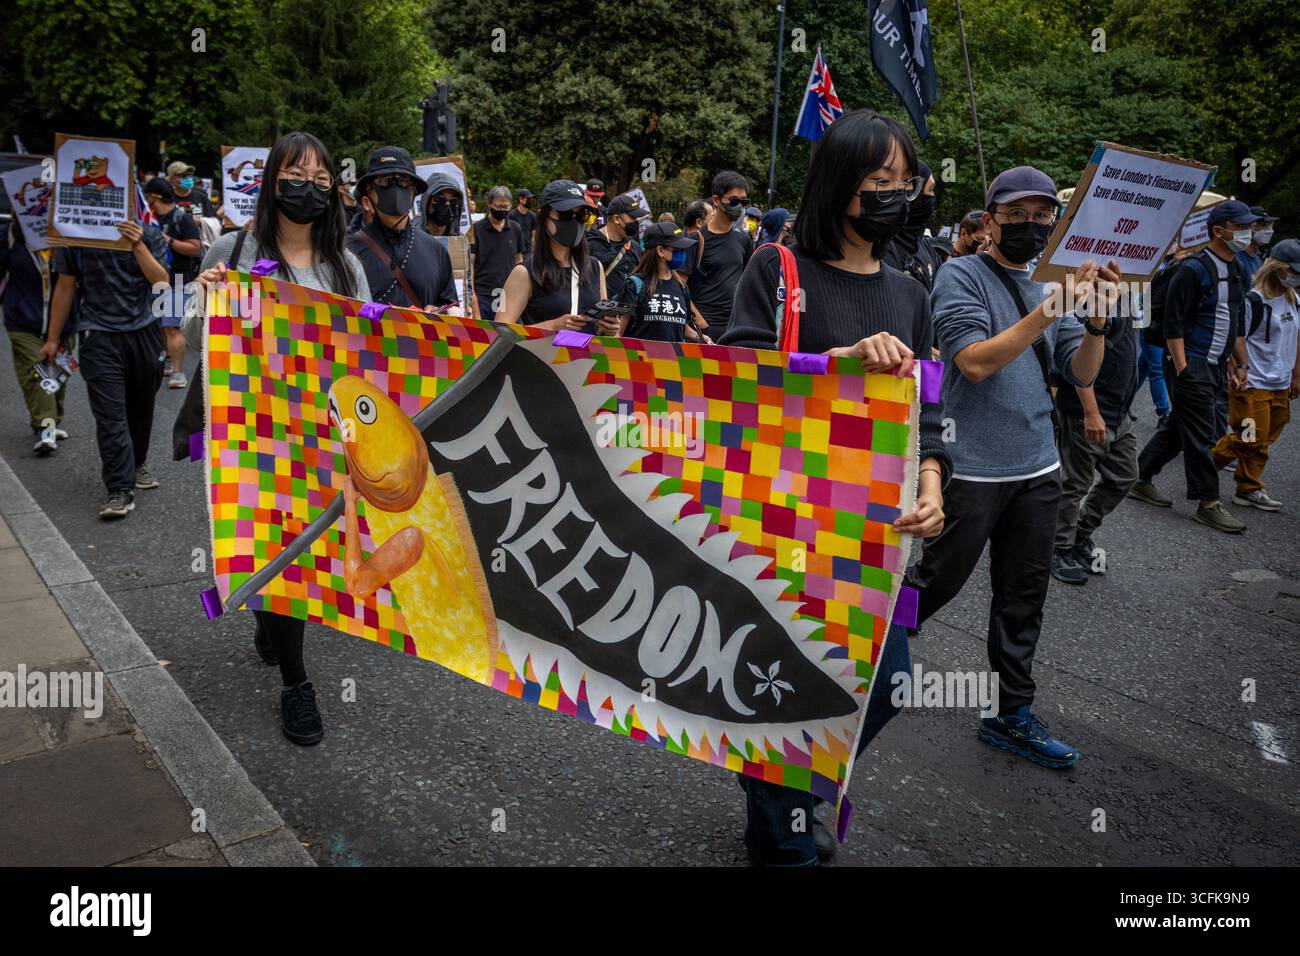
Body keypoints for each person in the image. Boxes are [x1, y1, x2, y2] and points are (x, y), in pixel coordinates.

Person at [720, 109, 948, 865]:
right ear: (838, 184)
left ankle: (795, 796)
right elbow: (733, 386)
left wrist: (931, 483)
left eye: (903, 182)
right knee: (781, 693)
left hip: (873, 544)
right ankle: (784, 832)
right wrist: (836, 364)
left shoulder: (912, 295)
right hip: (779, 534)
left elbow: (929, 412)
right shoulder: (777, 271)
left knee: (884, 689)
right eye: (878, 181)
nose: (894, 195)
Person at [905, 164, 1118, 772]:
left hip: (1037, 467)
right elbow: (972, 362)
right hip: (971, 468)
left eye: (1040, 216)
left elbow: (1080, 372)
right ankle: (863, 655)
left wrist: (1096, 320)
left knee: (1023, 597)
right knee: (933, 585)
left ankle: (1010, 714)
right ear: (990, 220)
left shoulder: (1050, 283)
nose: (1029, 225)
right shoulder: (960, 274)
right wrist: (1052, 308)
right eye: (1015, 215)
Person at [189, 130, 369, 748]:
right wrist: (207, 297)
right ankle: (297, 683)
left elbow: (368, 350)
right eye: (297, 175)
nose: (310, 188)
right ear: (271, 181)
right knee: (271, 541)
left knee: (303, 552)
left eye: (322, 180)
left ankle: (271, 621)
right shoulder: (233, 250)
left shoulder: (346, 267)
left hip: (320, 436)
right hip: (252, 434)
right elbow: (196, 334)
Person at [1130, 200, 1258, 532]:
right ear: (1219, 231)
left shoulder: (1236, 268)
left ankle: (1138, 478)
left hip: (1215, 365)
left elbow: (1232, 319)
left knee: (1178, 428)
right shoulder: (1193, 269)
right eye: (1240, 227)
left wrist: (1238, 362)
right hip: (1192, 365)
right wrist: (1184, 366)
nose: (1247, 232)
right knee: (1202, 435)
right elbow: (1173, 321)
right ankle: (1208, 503)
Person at [43, 216, 169, 517]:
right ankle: (119, 489)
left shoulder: (148, 234)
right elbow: (64, 287)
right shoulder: (74, 236)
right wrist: (53, 337)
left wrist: (136, 243)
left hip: (144, 332)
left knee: (141, 407)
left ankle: (137, 463)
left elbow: (162, 281)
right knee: (110, 416)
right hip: (98, 334)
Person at [1050, 288, 1140, 584]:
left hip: (1118, 412)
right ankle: (1058, 547)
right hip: (1087, 411)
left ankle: (1080, 533)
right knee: (1075, 483)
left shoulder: (1128, 294)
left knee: (1124, 476)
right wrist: (1090, 411)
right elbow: (1075, 359)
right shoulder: (1089, 297)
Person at [1211, 239, 1300, 511]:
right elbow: (1237, 338)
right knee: (1249, 436)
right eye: (1293, 271)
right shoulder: (1254, 300)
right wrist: (1239, 370)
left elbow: (1296, 338)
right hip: (1253, 385)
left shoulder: (1294, 298)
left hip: (1279, 385)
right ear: (1278, 269)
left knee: (1263, 437)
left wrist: (1295, 376)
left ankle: (1248, 487)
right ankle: (1203, 467)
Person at [496, 179, 620, 334]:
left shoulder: (595, 268)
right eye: (566, 214)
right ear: (545, 219)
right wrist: (551, 327)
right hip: (541, 358)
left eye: (582, 215)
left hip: (588, 358)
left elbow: (604, 335)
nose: (574, 221)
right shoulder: (524, 273)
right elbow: (499, 333)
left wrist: (610, 330)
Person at [346, 146, 458, 311]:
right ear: (368, 198)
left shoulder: (436, 251)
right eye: (385, 180)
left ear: (414, 192)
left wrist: (441, 313)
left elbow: (451, 308)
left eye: (404, 181)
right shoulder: (347, 250)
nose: (396, 187)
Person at [2, 219, 74, 454]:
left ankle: (52, 420)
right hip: (23, 321)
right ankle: (45, 430)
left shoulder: (71, 238)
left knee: (59, 373)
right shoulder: (10, 238)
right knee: (39, 372)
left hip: (66, 323)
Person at [143, 177, 202, 389]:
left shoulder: (181, 218)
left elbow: (195, 248)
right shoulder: (150, 219)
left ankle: (178, 373)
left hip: (180, 278)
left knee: (172, 327)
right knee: (160, 325)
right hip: (158, 280)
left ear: (152, 197)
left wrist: (168, 240)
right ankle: (167, 362)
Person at [617, 222, 708, 343]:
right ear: (660, 250)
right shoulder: (634, 285)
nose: (682, 254)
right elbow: (618, 330)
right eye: (677, 249)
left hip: (674, 360)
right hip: (640, 360)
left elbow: (677, 323)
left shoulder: (681, 286)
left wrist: (699, 337)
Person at [687, 171, 753, 338]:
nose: (739, 206)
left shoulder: (744, 239)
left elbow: (747, 281)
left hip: (734, 327)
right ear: (716, 200)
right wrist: (701, 324)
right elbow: (679, 285)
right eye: (734, 200)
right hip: (704, 328)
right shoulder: (696, 240)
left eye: (743, 201)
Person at [468, 186, 524, 321]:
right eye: (498, 206)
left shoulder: (515, 228)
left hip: (508, 295)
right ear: (489, 204)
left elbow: (519, 260)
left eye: (506, 207)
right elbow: (470, 265)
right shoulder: (476, 229)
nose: (502, 210)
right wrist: (473, 297)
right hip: (483, 295)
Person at [882, 159, 939, 291]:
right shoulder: (882, 250)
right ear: (914, 196)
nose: (933, 197)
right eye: (930, 190)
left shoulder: (925, 245)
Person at [586, 192, 647, 299]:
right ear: (617, 219)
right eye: (632, 217)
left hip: (626, 313)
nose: (636, 222)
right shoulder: (589, 244)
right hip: (595, 312)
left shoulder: (634, 247)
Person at [508, 188, 536, 257]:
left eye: (531, 199)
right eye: (528, 199)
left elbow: (533, 236)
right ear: (520, 199)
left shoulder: (533, 216)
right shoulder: (511, 215)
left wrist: (533, 252)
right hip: (515, 250)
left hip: (529, 251)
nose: (530, 201)